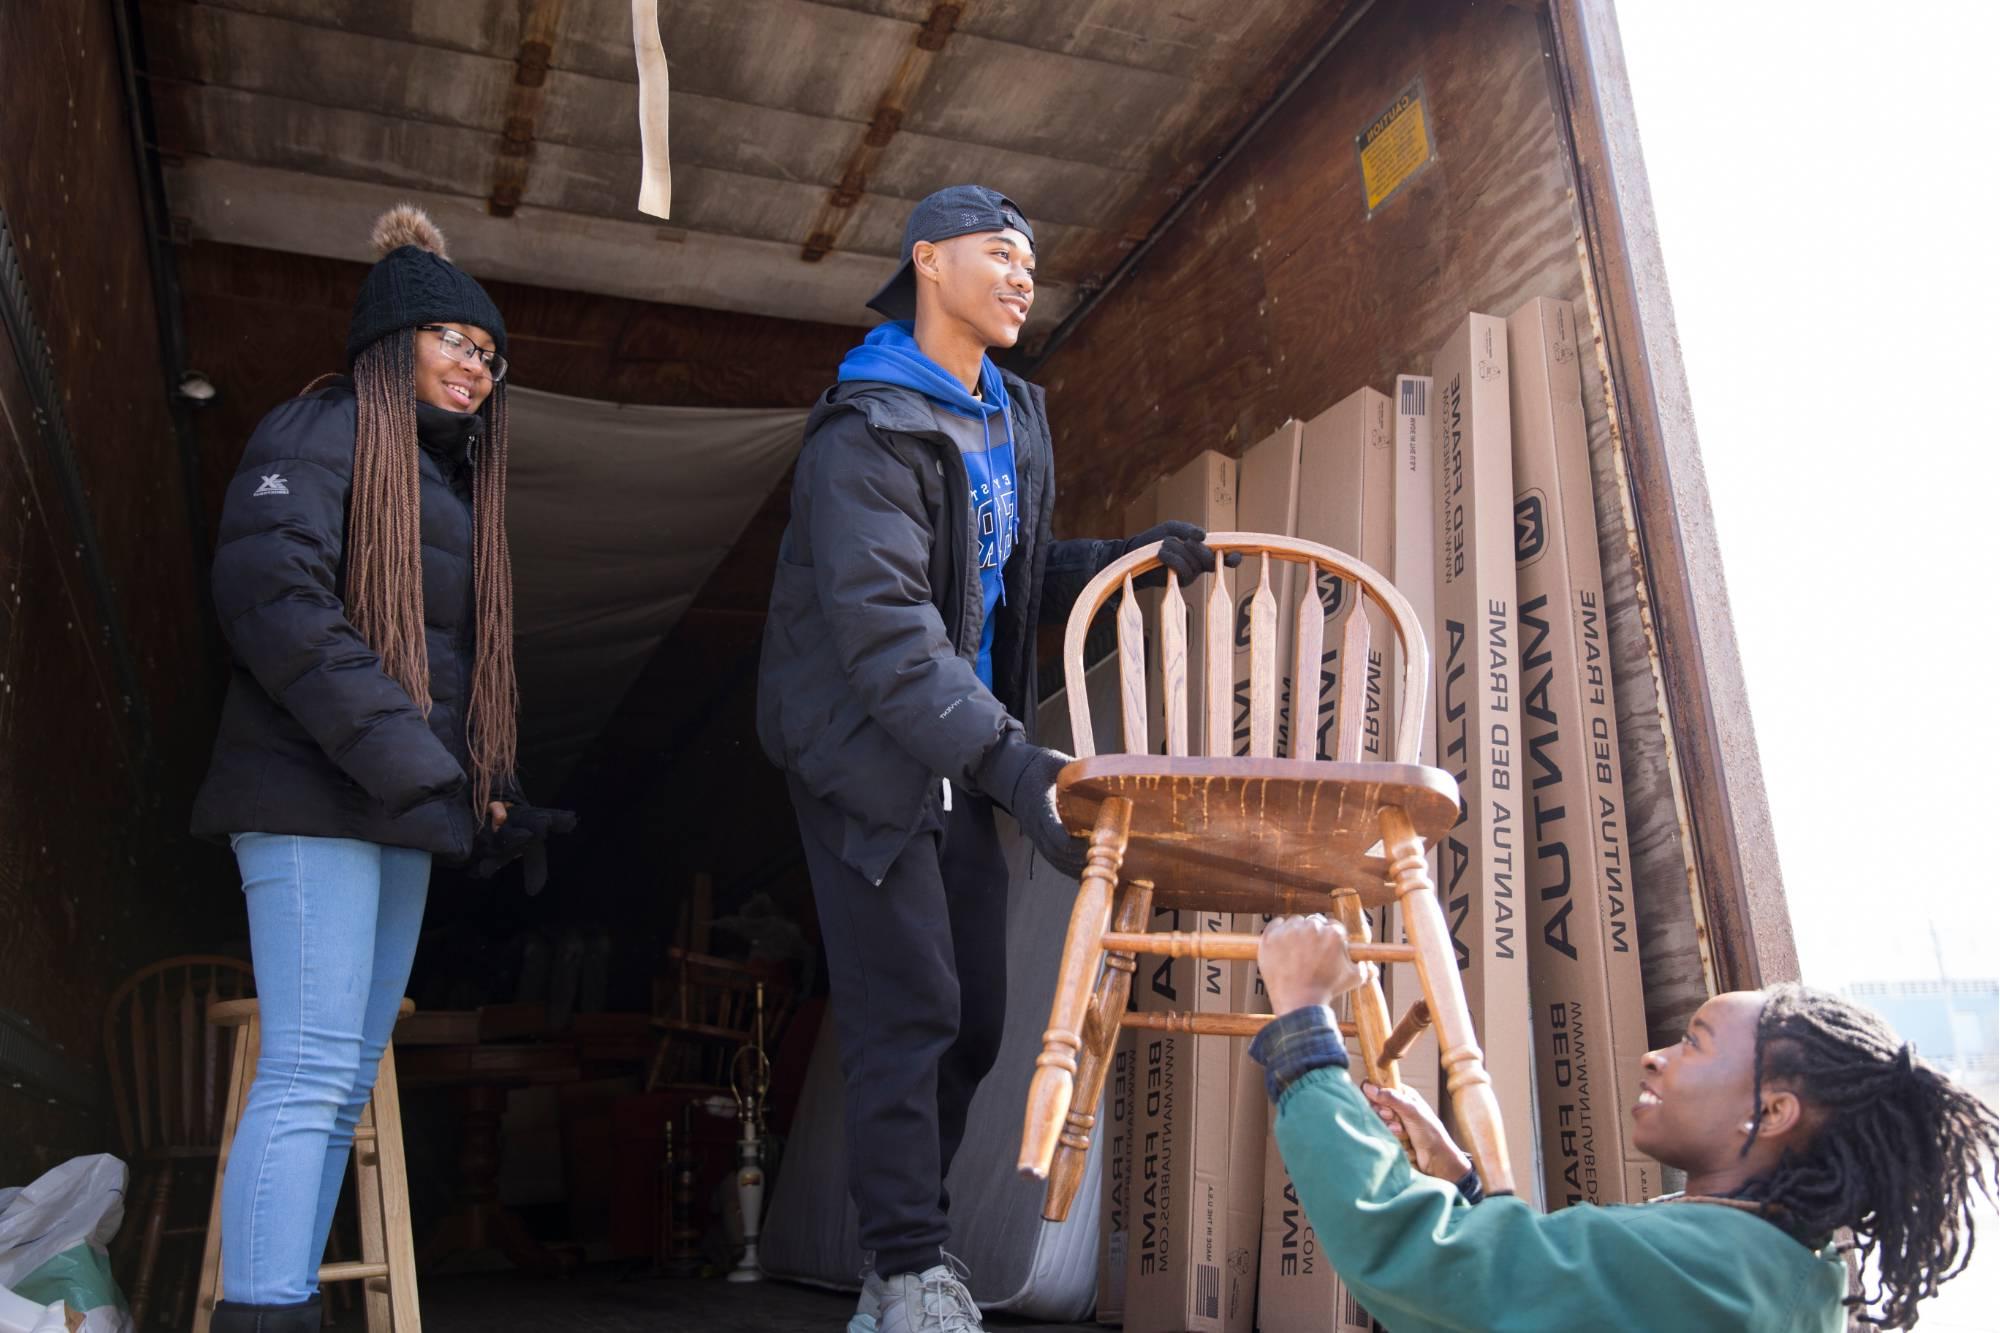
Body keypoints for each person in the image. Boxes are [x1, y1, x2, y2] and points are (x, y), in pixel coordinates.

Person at [756, 184, 1227, 1333]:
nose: (1024, 276)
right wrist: (1022, 767)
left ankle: (901, 1264)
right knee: (906, 1004)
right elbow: (889, 632)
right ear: (927, 261)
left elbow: (995, 575)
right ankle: (906, 1266)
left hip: (960, 743)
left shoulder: (1006, 413)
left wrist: (1115, 564)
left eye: (1031, 262)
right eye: (998, 254)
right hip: (864, 749)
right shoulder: (863, 431)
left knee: (973, 1014)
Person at [192, 205, 558, 1331]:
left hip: (392, 807)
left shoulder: (443, 488)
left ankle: (284, 1299)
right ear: (392, 337)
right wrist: (410, 756)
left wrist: (483, 788)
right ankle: (265, 1312)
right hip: (312, 797)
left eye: (490, 355)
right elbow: (272, 602)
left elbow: (437, 668)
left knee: (346, 1077)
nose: (475, 367)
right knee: (306, 1071)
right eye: (454, 339)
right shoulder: (321, 431)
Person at [1250, 914, 2000, 1331]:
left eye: (1694, 1042)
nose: (1653, 1056)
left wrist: (1304, 1021)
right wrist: (1468, 1186)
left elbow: (1423, 1260)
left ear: (1771, 1111)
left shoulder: (1712, 1269)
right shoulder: (1785, 1274)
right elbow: (1562, 1295)